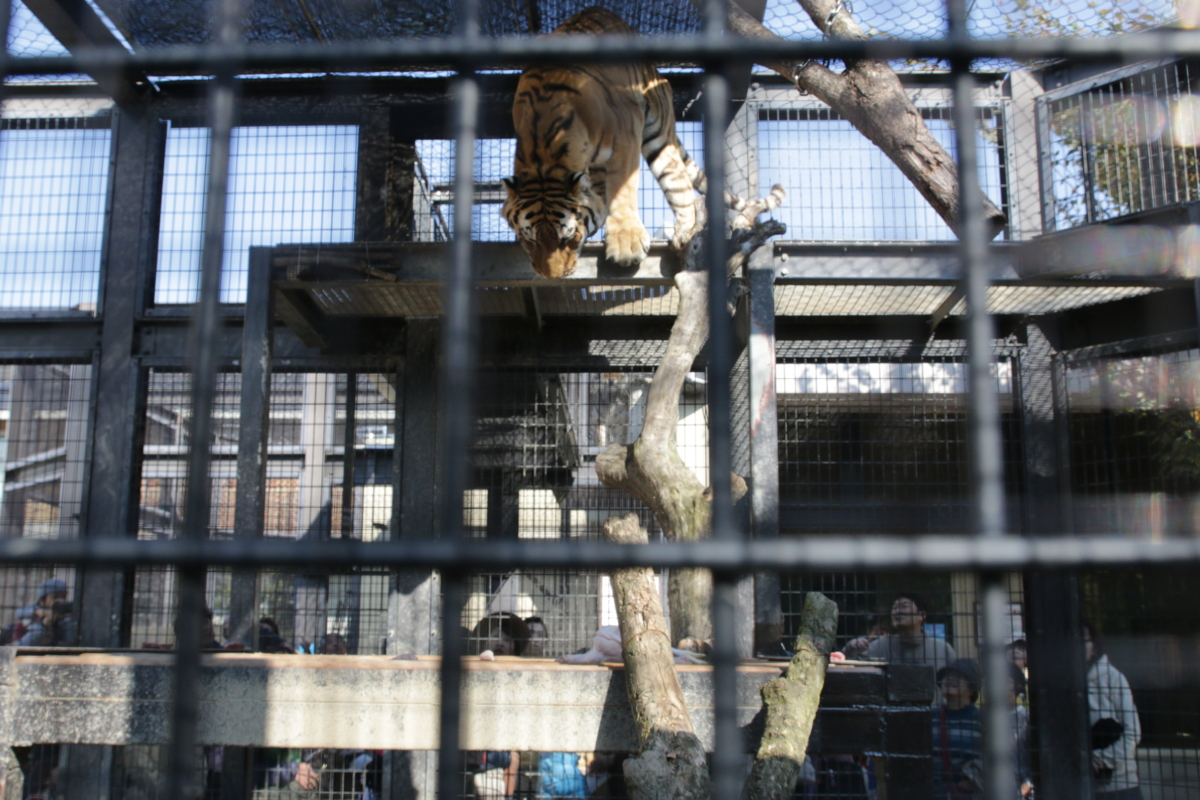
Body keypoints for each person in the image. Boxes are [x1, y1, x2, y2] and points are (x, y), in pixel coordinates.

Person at [1085, 622, 1143, 800]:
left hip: (1121, 786)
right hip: (1082, 787)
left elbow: (1133, 733)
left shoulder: (1114, 678)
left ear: (1094, 646)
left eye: (1084, 639)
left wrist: (1099, 758)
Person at [837, 593, 957, 671]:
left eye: (904, 606)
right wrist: (851, 648)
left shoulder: (942, 649)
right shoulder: (880, 645)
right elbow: (849, 667)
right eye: (894, 608)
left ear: (921, 615)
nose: (897, 611)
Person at [931, 658, 984, 800]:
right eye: (947, 676)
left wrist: (968, 783)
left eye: (959, 677)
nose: (950, 679)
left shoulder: (983, 720)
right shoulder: (929, 717)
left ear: (972, 688)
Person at [15, 578, 70, 647]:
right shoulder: (38, 609)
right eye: (55, 597)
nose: (60, 600)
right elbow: (19, 612)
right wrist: (38, 612)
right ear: (42, 601)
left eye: (63, 597)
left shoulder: (65, 612)